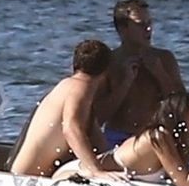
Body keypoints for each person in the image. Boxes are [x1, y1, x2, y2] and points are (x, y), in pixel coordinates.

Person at [9, 39, 116, 178]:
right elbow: (71, 130)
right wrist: (96, 171)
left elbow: (101, 146)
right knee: (91, 170)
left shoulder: (70, 87)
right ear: (106, 71)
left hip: (27, 175)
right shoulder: (79, 88)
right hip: (27, 179)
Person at [96, 0, 187, 150]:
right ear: (122, 29)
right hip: (118, 138)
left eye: (149, 23)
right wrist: (125, 83)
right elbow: (98, 118)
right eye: (140, 24)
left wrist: (160, 74)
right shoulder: (109, 62)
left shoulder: (164, 58)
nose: (148, 29)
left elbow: (183, 107)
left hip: (154, 136)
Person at [108, 92, 189, 186]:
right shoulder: (159, 136)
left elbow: (187, 177)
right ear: (179, 118)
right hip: (103, 176)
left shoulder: (174, 139)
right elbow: (187, 183)